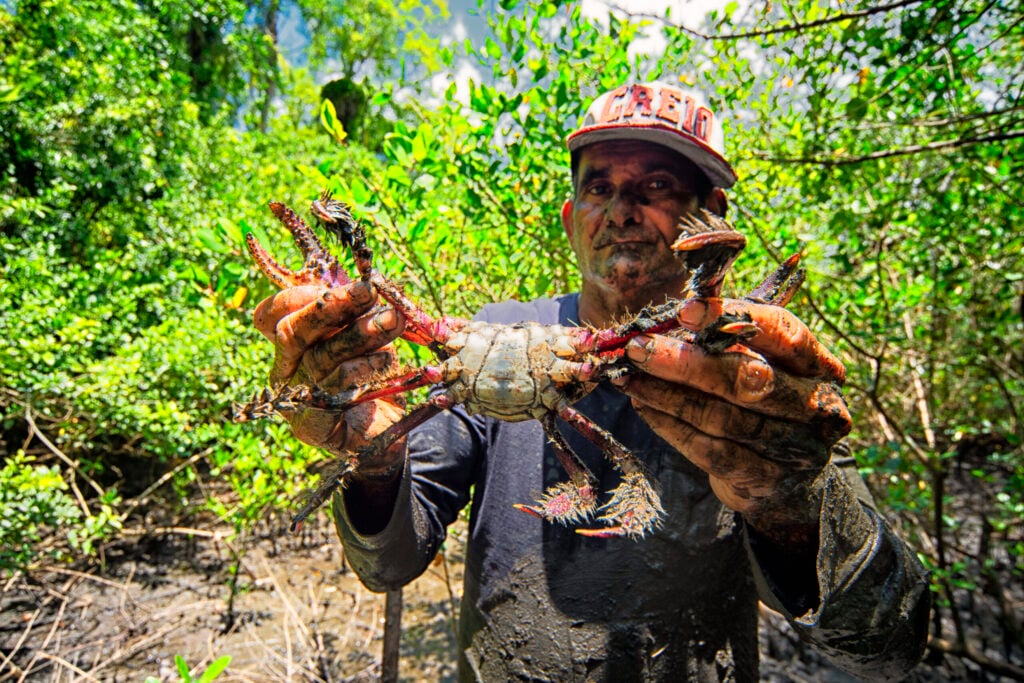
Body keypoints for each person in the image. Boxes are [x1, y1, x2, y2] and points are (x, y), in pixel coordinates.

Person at [253, 81, 931, 681]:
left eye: (657, 186)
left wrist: (792, 505)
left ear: (713, 218)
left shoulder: (755, 382)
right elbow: (387, 564)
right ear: (572, 218)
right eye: (598, 187)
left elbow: (886, 647)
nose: (622, 209)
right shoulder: (494, 332)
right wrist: (372, 453)